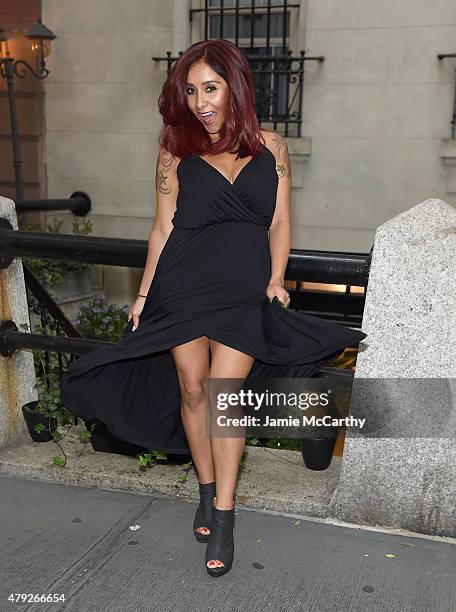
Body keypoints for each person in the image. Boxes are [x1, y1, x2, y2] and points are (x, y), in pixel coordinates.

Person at [60, 39, 367, 578]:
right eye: (192, 90)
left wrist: (276, 280)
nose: (201, 101)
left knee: (227, 399)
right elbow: (160, 230)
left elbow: (280, 223)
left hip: (244, 292)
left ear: (235, 87)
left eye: (211, 87)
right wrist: (142, 295)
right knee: (194, 388)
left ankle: (223, 513)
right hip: (182, 285)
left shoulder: (271, 146)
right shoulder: (174, 151)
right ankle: (205, 487)